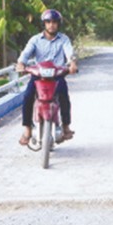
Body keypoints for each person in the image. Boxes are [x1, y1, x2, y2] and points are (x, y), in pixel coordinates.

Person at [16, 9, 78, 145]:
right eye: (48, 22)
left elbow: (69, 52)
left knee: (64, 97)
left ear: (58, 24)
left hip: (57, 76)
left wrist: (72, 63)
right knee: (27, 97)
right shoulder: (35, 40)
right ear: (44, 24)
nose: (51, 25)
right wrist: (21, 63)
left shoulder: (64, 39)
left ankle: (66, 126)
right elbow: (26, 53)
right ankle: (27, 129)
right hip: (39, 76)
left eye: (54, 22)